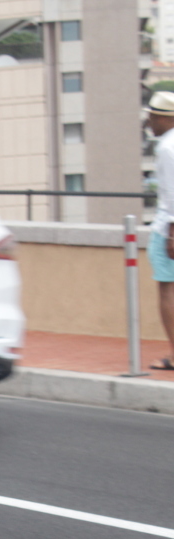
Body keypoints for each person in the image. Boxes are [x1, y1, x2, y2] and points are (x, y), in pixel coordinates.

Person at [148, 91, 174, 371]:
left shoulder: (167, 147)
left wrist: (171, 234)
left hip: (168, 227)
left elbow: (172, 194)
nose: (149, 122)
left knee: (168, 292)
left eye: (153, 117)